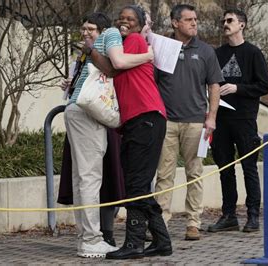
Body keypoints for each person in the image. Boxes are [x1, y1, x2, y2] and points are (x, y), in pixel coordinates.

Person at [64, 12, 153, 258]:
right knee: (90, 178)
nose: (85, 33)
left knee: (81, 178)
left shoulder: (90, 48)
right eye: (83, 28)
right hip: (87, 114)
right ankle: (92, 240)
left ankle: (85, 239)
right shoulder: (110, 34)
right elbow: (117, 65)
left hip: (75, 110)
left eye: (90, 28)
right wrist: (148, 55)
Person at [98, 5, 172, 260]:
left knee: (137, 185)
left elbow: (113, 66)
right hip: (136, 122)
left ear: (141, 25)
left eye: (131, 19)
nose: (124, 21)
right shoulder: (131, 43)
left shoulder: (135, 40)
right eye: (122, 18)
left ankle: (134, 243)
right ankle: (161, 241)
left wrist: (90, 49)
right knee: (136, 184)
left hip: (146, 119)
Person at [154, 4, 222, 241]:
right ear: (175, 23)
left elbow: (214, 85)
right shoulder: (162, 48)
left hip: (195, 122)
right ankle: (160, 223)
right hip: (167, 123)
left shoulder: (205, 51)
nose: (194, 23)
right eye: (188, 20)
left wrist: (211, 117)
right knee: (164, 175)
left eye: (195, 19)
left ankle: (193, 223)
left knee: (195, 174)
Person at [206, 9, 268, 233]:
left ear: (242, 25)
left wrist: (237, 88)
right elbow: (209, 81)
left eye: (230, 20)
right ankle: (229, 215)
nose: (225, 23)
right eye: (223, 20)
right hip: (221, 118)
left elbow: (264, 86)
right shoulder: (217, 53)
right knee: (225, 168)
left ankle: (253, 215)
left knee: (249, 168)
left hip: (244, 119)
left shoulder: (253, 53)